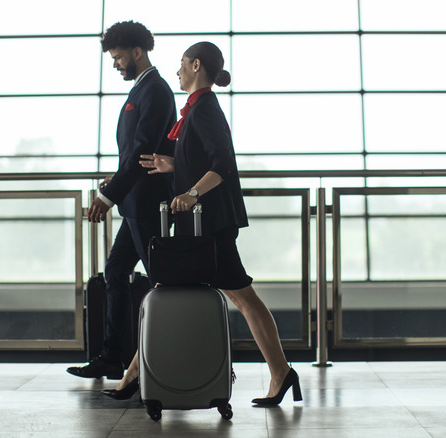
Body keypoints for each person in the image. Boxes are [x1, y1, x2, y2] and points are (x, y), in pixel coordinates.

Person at [102, 41, 302, 406]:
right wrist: (174, 166)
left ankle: (280, 372)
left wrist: (192, 192)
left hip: (210, 224)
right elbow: (205, 159)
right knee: (191, 292)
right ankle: (133, 375)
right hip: (204, 224)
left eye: (182, 64)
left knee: (232, 296)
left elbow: (223, 163)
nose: (177, 71)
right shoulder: (195, 110)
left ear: (196, 66)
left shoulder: (205, 107)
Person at [67, 21, 176, 380]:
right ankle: (115, 357)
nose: (115, 65)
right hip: (135, 203)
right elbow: (135, 153)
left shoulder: (155, 91)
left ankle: (169, 358)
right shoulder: (141, 91)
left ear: (137, 52)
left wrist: (107, 195)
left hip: (146, 204)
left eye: (117, 58)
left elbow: (145, 150)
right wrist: (117, 180)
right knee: (115, 272)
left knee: (164, 282)